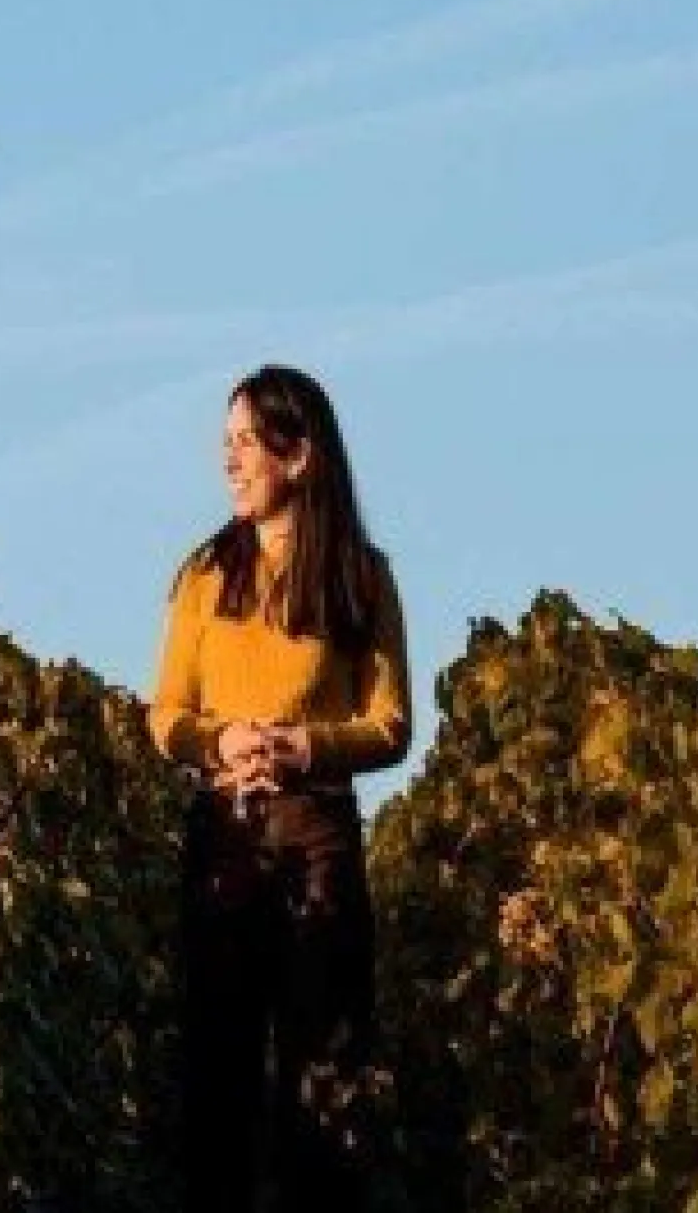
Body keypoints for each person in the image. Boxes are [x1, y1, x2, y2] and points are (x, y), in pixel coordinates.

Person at [149, 364, 411, 1212]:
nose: (229, 461)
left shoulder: (360, 576)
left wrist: (303, 746)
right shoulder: (202, 575)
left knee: (322, 1077)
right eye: (225, 443)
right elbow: (167, 716)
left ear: (298, 456)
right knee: (216, 1075)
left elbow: (390, 723)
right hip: (223, 831)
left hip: (316, 834)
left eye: (246, 443)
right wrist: (221, 740)